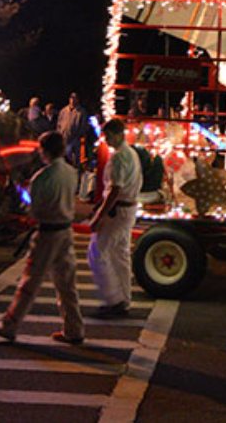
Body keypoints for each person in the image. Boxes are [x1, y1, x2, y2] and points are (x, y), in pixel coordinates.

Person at [0, 132, 85, 344]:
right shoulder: (71, 172)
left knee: (30, 281)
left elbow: (34, 211)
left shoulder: (42, 177)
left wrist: (24, 193)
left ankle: (9, 324)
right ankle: (74, 329)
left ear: (44, 150)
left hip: (48, 233)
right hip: (66, 231)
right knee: (66, 283)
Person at [87, 118, 142, 318]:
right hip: (127, 209)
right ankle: (123, 300)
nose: (106, 140)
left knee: (96, 252)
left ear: (119, 134)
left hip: (117, 211)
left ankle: (113, 300)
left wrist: (99, 215)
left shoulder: (119, 157)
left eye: (109, 136)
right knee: (120, 256)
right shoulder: (132, 154)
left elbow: (114, 190)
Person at [57, 92, 90, 167]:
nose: (73, 100)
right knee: (65, 158)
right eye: (71, 98)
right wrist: (60, 134)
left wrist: (78, 135)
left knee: (76, 160)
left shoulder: (81, 112)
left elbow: (84, 126)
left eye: (75, 98)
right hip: (64, 139)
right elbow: (59, 124)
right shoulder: (63, 111)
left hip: (75, 139)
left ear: (78, 100)